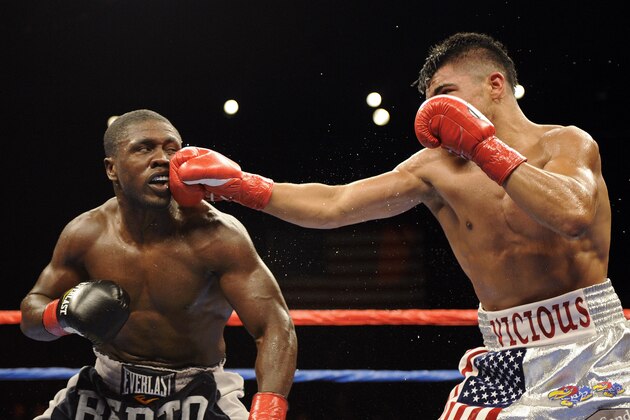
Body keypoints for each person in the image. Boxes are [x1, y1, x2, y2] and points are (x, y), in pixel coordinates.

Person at [168, 32, 630, 419]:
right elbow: (334, 203)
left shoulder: (565, 143)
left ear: (495, 85)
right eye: (428, 104)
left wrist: (487, 149)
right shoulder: (436, 168)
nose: (434, 118)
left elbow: (571, 216)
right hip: (504, 355)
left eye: (445, 96)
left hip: (594, 343)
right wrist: (242, 186)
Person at [20, 109, 297, 419]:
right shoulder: (86, 234)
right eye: (144, 148)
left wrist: (269, 411)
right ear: (112, 169)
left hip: (199, 390)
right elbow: (30, 317)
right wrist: (61, 314)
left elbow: (274, 325)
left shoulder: (217, 235)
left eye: (172, 149)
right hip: (104, 389)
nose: (163, 159)